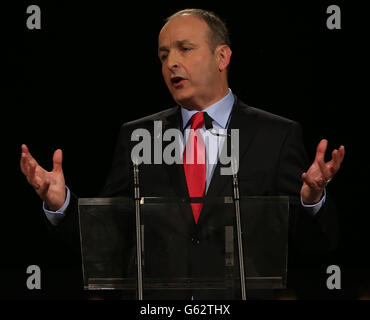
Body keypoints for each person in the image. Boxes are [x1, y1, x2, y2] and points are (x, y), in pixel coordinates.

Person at [20, 9, 345, 299]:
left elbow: (313, 244)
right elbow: (110, 236)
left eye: (185, 49)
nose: (171, 62)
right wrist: (59, 203)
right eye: (163, 55)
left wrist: (312, 200)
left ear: (222, 57)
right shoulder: (138, 136)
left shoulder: (276, 134)